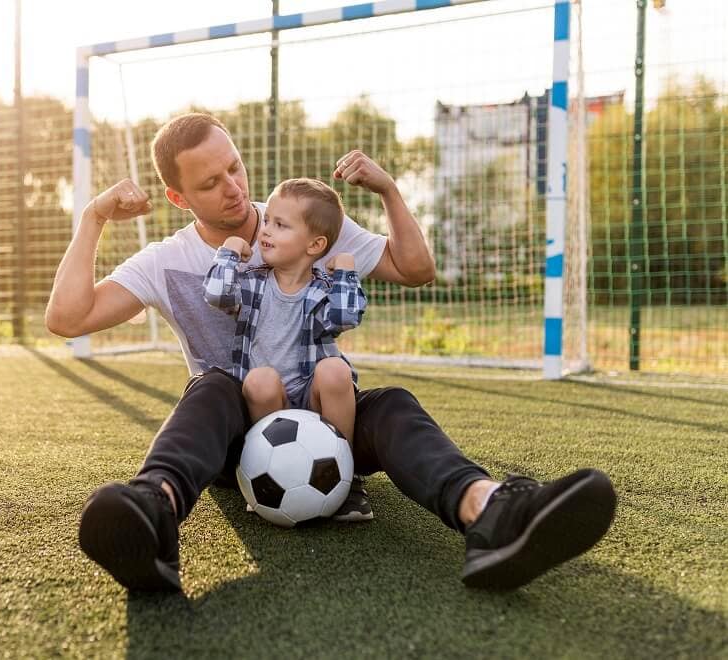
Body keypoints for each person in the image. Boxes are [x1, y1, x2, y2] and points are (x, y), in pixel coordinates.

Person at [46, 113, 616, 593]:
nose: (234, 187)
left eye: (235, 167)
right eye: (210, 182)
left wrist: (390, 191)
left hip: (327, 421)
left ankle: (491, 512)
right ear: (177, 197)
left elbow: (415, 269)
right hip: (235, 433)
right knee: (213, 385)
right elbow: (66, 318)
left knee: (390, 403)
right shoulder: (165, 261)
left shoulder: (301, 218)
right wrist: (95, 215)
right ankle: (152, 514)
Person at [203, 178, 370, 521]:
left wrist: (347, 274)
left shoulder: (324, 289)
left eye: (280, 225)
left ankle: (348, 479)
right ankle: (269, 471)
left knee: (336, 370)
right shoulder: (251, 283)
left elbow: (345, 316)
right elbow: (217, 294)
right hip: (268, 400)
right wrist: (230, 252)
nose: (266, 230)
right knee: (260, 379)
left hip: (312, 395)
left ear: (314, 245)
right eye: (267, 221)